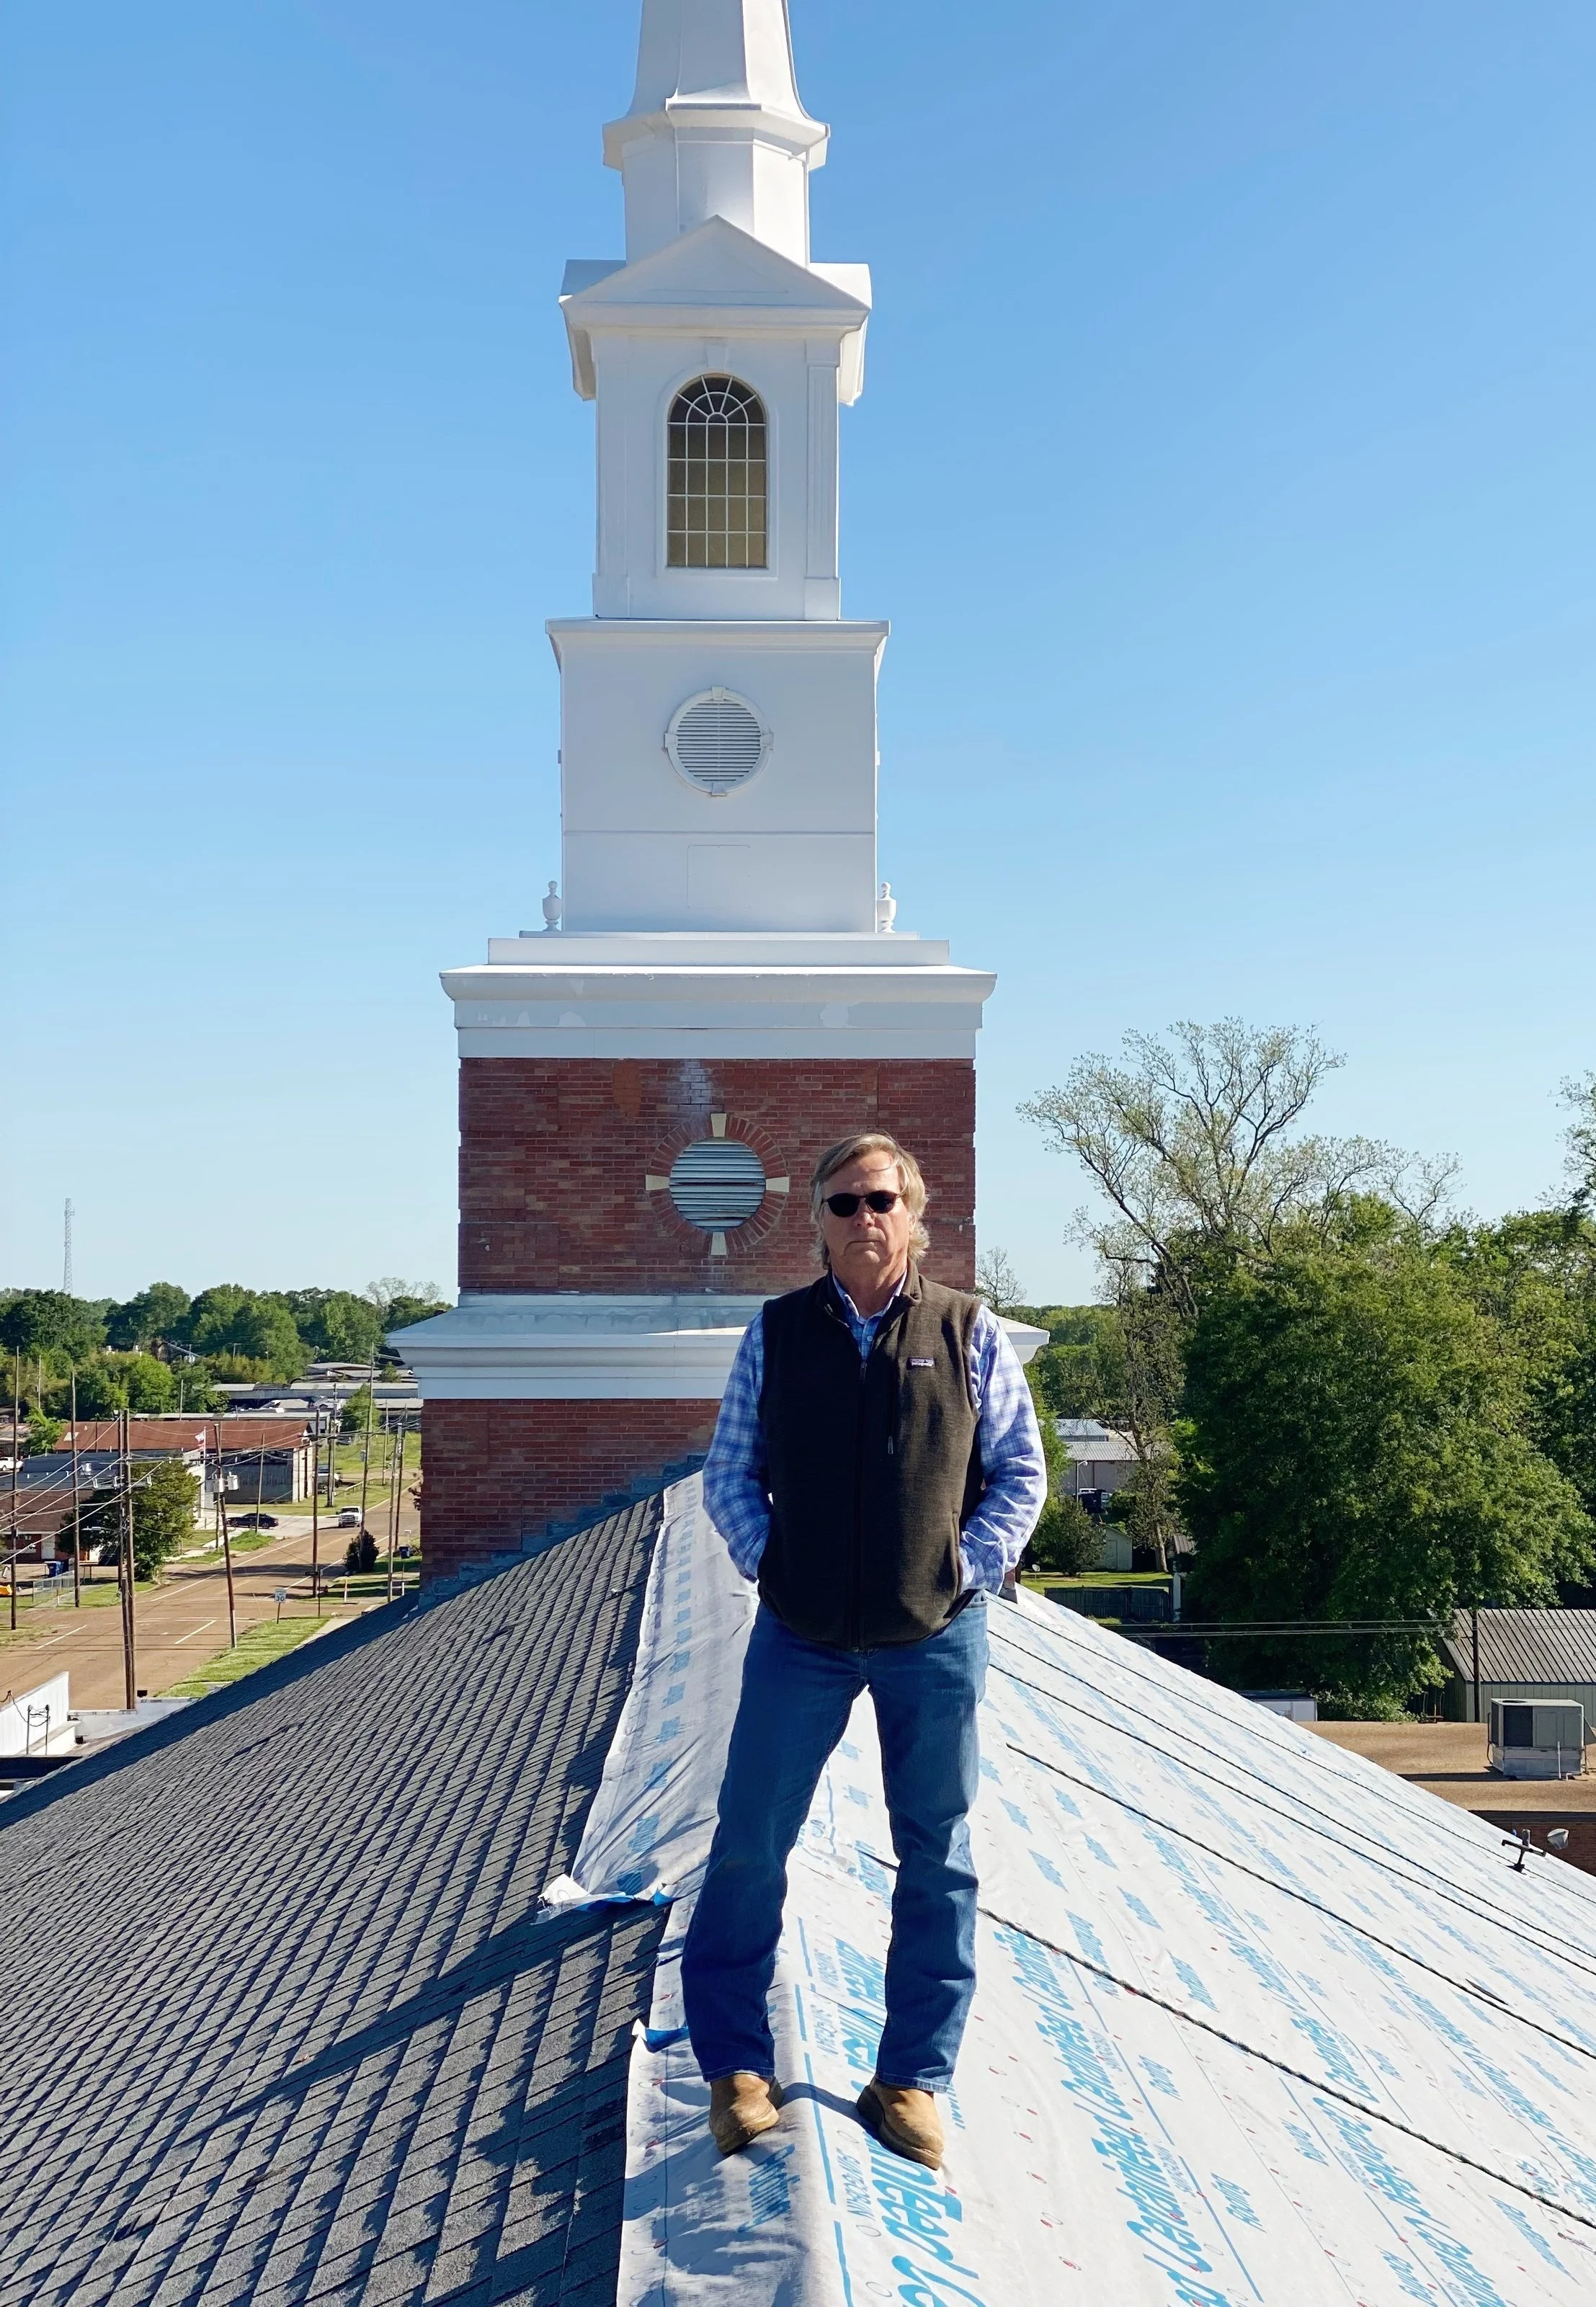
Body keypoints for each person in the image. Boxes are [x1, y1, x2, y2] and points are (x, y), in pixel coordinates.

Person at [682, 1130, 1048, 2170]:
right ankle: (737, 2069)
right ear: (814, 1221)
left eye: (879, 1198)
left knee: (936, 1856)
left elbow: (1020, 1475)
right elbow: (728, 1475)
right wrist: (775, 1568)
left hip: (931, 1639)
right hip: (799, 1638)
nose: (862, 1219)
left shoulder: (965, 1330)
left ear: (915, 1211)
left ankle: (912, 2080)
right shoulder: (776, 1332)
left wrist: (958, 1571)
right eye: (840, 1204)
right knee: (750, 1840)